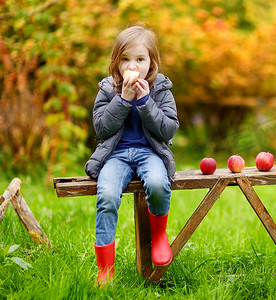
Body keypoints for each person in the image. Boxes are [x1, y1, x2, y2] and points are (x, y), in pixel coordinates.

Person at [84, 25, 179, 287]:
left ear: (152, 63)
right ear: (116, 63)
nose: (132, 66)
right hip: (116, 155)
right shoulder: (107, 89)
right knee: (107, 196)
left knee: (159, 184)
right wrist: (123, 100)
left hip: (151, 153)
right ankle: (105, 270)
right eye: (125, 59)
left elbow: (169, 128)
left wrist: (147, 102)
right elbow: (102, 128)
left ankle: (159, 236)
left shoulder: (161, 89)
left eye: (140, 59)